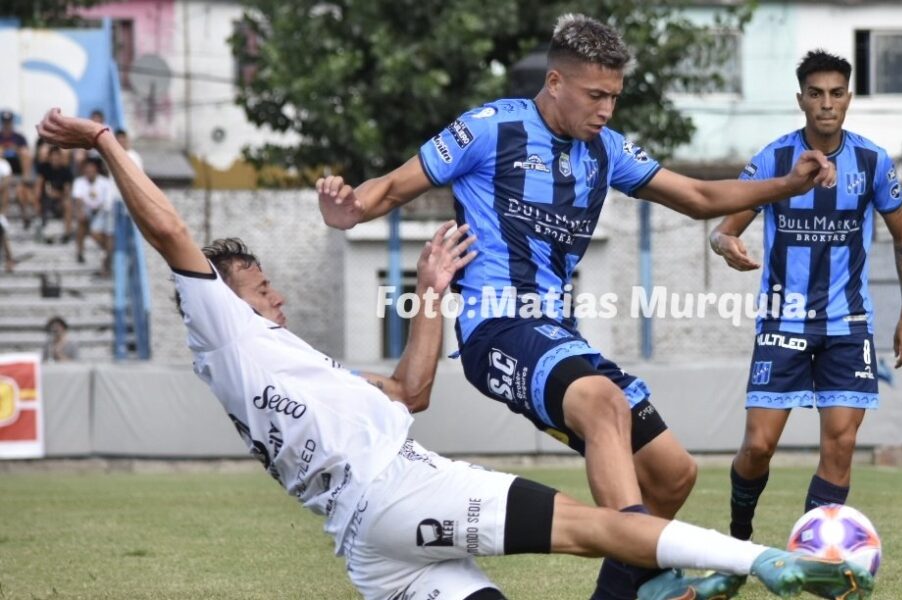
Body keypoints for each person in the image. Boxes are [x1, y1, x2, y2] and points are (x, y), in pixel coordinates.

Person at [38, 108, 872, 600]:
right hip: (399, 492)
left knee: (665, 477)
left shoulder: (296, 368)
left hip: (374, 552)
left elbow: (410, 391)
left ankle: (687, 562)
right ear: (224, 299)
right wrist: (108, 141)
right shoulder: (223, 332)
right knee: (596, 517)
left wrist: (432, 289)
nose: (275, 299)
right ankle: (765, 560)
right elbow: (171, 230)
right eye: (260, 290)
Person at [315, 14, 837, 599]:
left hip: (556, 334)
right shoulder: (489, 128)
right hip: (497, 328)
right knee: (602, 403)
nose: (607, 109)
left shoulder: (607, 150)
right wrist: (350, 210)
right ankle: (656, 573)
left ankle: (620, 592)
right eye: (596, 95)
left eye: (614, 96)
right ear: (556, 82)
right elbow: (388, 187)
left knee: (672, 474)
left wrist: (785, 186)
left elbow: (697, 197)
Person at [708, 50, 902, 543]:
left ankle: (812, 553)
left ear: (849, 98)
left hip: (849, 325)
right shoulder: (774, 160)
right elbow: (723, 230)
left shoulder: (872, 161)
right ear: (801, 99)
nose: (827, 103)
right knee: (759, 446)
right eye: (816, 94)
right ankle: (739, 536)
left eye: (837, 93)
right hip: (783, 323)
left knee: (840, 445)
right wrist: (726, 246)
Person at [71, 157, 115, 274]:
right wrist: (80, 212)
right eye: (87, 170)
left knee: (97, 232)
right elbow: (78, 199)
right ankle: (80, 252)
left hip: (101, 212)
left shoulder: (105, 183)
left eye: (91, 170)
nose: (89, 173)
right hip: (87, 211)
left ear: (96, 170)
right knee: (81, 222)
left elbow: (107, 204)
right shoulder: (79, 182)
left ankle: (107, 252)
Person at [0, 109, 37, 229]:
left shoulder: (19, 137)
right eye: (5, 122)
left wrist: (15, 149)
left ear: (12, 122)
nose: (7, 125)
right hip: (3, 167)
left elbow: (26, 152)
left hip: (17, 167)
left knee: (25, 153)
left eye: (9, 122)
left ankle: (25, 178)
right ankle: (3, 218)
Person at [35, 145, 76, 243]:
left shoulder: (66, 171)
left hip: (60, 200)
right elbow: (39, 185)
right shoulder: (44, 168)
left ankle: (67, 233)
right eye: (53, 155)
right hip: (45, 199)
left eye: (57, 155)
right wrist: (37, 201)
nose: (55, 158)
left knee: (68, 204)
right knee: (39, 201)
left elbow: (67, 192)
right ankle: (43, 231)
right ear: (49, 157)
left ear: (60, 157)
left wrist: (57, 194)